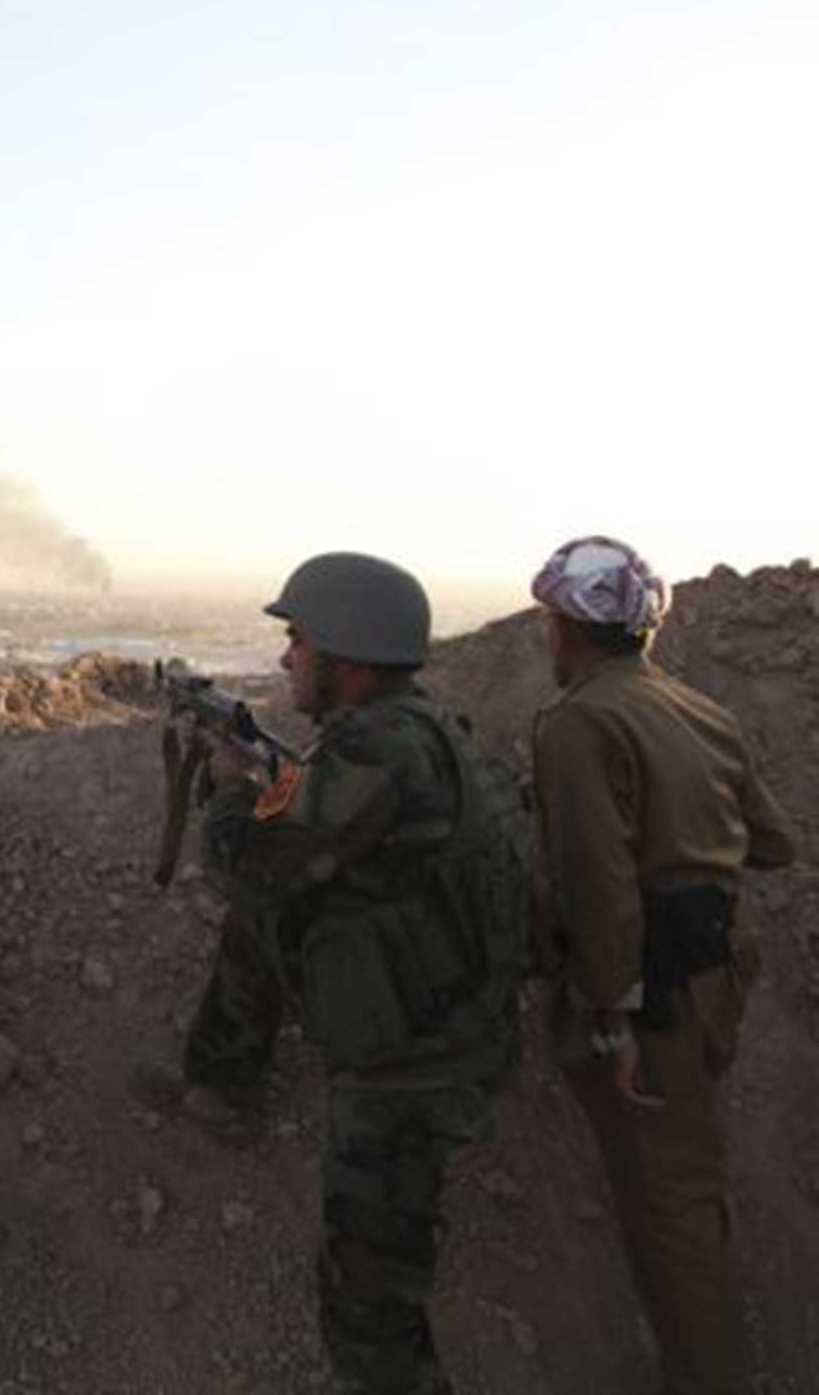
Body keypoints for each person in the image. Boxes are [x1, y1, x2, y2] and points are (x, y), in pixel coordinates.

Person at [177, 553, 527, 1395]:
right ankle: (224, 1078)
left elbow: (249, 865)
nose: (286, 658)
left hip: (416, 1060)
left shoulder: (383, 751)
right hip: (447, 998)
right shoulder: (413, 727)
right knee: (261, 931)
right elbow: (330, 826)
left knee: (368, 1307)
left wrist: (227, 789)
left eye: (299, 641)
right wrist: (280, 782)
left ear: (351, 658)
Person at [528, 535, 796, 1395]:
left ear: (569, 627)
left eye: (550, 621)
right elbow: (775, 841)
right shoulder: (698, 709)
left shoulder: (580, 722)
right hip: (712, 975)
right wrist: (693, 852)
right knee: (692, 1185)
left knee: (670, 1211)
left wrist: (617, 1015)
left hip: (656, 998)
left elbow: (598, 879)